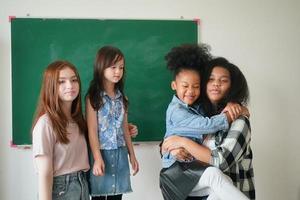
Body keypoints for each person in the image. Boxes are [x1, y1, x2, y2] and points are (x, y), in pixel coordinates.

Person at [160, 44, 249, 200]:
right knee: (215, 175)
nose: (215, 84)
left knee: (220, 178)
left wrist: (236, 107)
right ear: (174, 86)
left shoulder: (208, 112)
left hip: (205, 177)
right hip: (178, 172)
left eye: (223, 80)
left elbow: (220, 162)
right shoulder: (180, 111)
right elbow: (170, 140)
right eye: (211, 80)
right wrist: (171, 147)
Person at [86, 46, 139, 200]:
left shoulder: (123, 98)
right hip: (101, 153)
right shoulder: (93, 97)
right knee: (99, 195)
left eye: (121, 68)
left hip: (120, 153)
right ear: (101, 67)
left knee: (117, 197)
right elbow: (92, 130)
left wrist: (132, 156)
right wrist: (97, 158)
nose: (118, 71)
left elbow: (124, 128)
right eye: (113, 67)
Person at [32, 60, 90, 200]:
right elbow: (45, 174)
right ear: (51, 86)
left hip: (82, 185)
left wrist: (126, 129)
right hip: (61, 189)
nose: (70, 85)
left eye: (74, 80)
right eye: (61, 82)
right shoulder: (45, 124)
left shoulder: (78, 121)